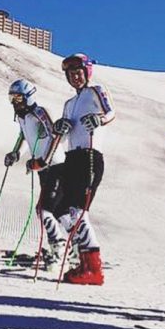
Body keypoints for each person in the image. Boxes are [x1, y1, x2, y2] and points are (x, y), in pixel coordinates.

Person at [51, 53, 114, 285]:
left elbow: (110, 112)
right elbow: (64, 130)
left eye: (78, 73)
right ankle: (83, 256)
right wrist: (61, 126)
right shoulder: (69, 103)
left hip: (90, 155)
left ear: (87, 72)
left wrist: (99, 119)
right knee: (60, 208)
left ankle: (93, 268)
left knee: (78, 210)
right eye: (71, 74)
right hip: (72, 156)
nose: (75, 78)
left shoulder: (96, 90)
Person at [4, 79, 68, 258]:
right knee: (59, 210)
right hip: (43, 169)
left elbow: (55, 136)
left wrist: (43, 161)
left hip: (56, 165)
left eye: (18, 98)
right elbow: (23, 136)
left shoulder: (40, 113)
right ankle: (77, 246)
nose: (14, 103)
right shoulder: (23, 117)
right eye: (12, 98)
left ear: (28, 97)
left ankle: (59, 247)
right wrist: (16, 154)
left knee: (44, 209)